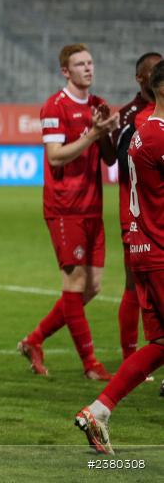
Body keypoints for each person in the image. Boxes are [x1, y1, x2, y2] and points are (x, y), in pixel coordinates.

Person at [74, 59, 164, 455]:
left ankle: (99, 411)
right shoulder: (158, 135)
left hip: (145, 246)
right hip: (159, 250)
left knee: (160, 341)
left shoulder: (145, 130)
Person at [18, 44, 118, 380]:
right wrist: (92, 134)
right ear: (65, 71)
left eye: (90, 62)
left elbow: (109, 159)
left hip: (93, 206)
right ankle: (90, 364)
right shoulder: (55, 106)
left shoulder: (97, 105)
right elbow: (56, 157)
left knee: (93, 287)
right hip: (65, 207)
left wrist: (105, 132)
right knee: (74, 285)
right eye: (80, 64)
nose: (88, 68)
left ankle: (34, 339)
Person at [112, 52, 162, 362]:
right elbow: (119, 163)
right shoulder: (132, 117)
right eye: (154, 70)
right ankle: (131, 355)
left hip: (154, 217)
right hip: (139, 217)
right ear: (142, 78)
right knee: (133, 286)